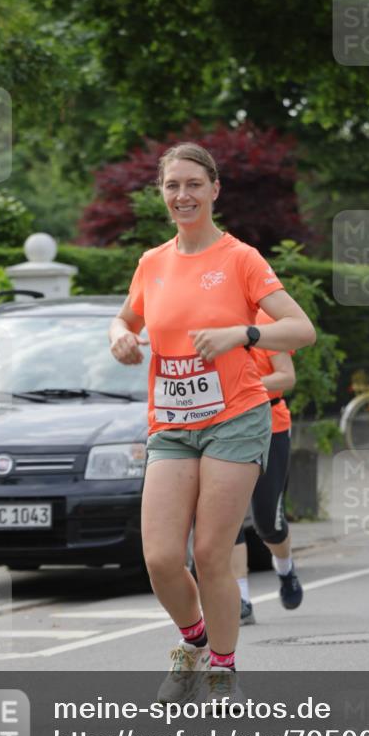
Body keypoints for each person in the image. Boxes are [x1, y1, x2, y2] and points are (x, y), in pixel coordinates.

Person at [109, 143, 315, 704]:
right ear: (162, 193)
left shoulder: (240, 259)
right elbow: (124, 318)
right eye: (173, 185)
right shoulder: (152, 262)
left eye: (194, 184)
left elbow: (301, 330)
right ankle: (195, 640)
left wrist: (242, 335)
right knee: (158, 557)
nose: (183, 195)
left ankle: (223, 669)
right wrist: (121, 339)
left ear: (214, 190)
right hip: (172, 424)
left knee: (211, 552)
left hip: (236, 417)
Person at [232, 309, 303, 625]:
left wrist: (244, 388)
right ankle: (241, 599)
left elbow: (286, 377)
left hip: (269, 424)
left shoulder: (265, 321)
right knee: (226, 514)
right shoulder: (205, 313)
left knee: (267, 523)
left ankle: (285, 568)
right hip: (223, 428)